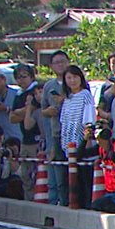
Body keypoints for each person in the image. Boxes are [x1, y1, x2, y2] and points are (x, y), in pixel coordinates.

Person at [58, 64, 97, 207]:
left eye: (75, 77)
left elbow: (89, 119)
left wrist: (86, 137)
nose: (72, 81)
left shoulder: (85, 95)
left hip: (81, 141)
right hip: (67, 140)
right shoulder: (68, 98)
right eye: (69, 78)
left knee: (82, 176)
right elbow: (63, 121)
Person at [40, 50, 71, 205]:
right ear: (51, 66)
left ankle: (66, 203)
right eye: (56, 62)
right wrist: (49, 111)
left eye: (63, 61)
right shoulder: (48, 86)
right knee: (54, 174)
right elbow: (42, 110)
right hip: (54, 133)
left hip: (72, 134)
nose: (60, 65)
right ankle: (53, 204)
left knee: (67, 175)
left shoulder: (74, 82)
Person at [8, 64, 44, 196]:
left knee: (37, 173)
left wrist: (22, 111)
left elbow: (33, 108)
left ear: (31, 76)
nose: (21, 80)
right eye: (18, 77)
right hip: (25, 138)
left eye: (24, 76)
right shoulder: (19, 94)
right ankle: (28, 197)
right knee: (25, 174)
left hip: (37, 137)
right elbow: (12, 118)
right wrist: (21, 111)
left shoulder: (36, 91)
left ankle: (37, 198)